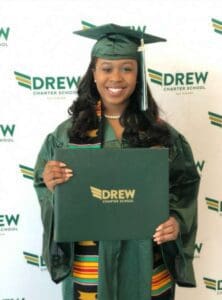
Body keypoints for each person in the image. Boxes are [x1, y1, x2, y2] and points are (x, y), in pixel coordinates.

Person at [34, 24, 200, 300]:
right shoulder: (67, 134)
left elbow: (185, 184)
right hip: (90, 262)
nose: (116, 78)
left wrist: (177, 220)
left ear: (138, 75)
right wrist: (51, 184)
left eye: (127, 68)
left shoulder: (160, 134)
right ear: (94, 74)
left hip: (147, 258)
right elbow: (44, 184)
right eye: (106, 68)